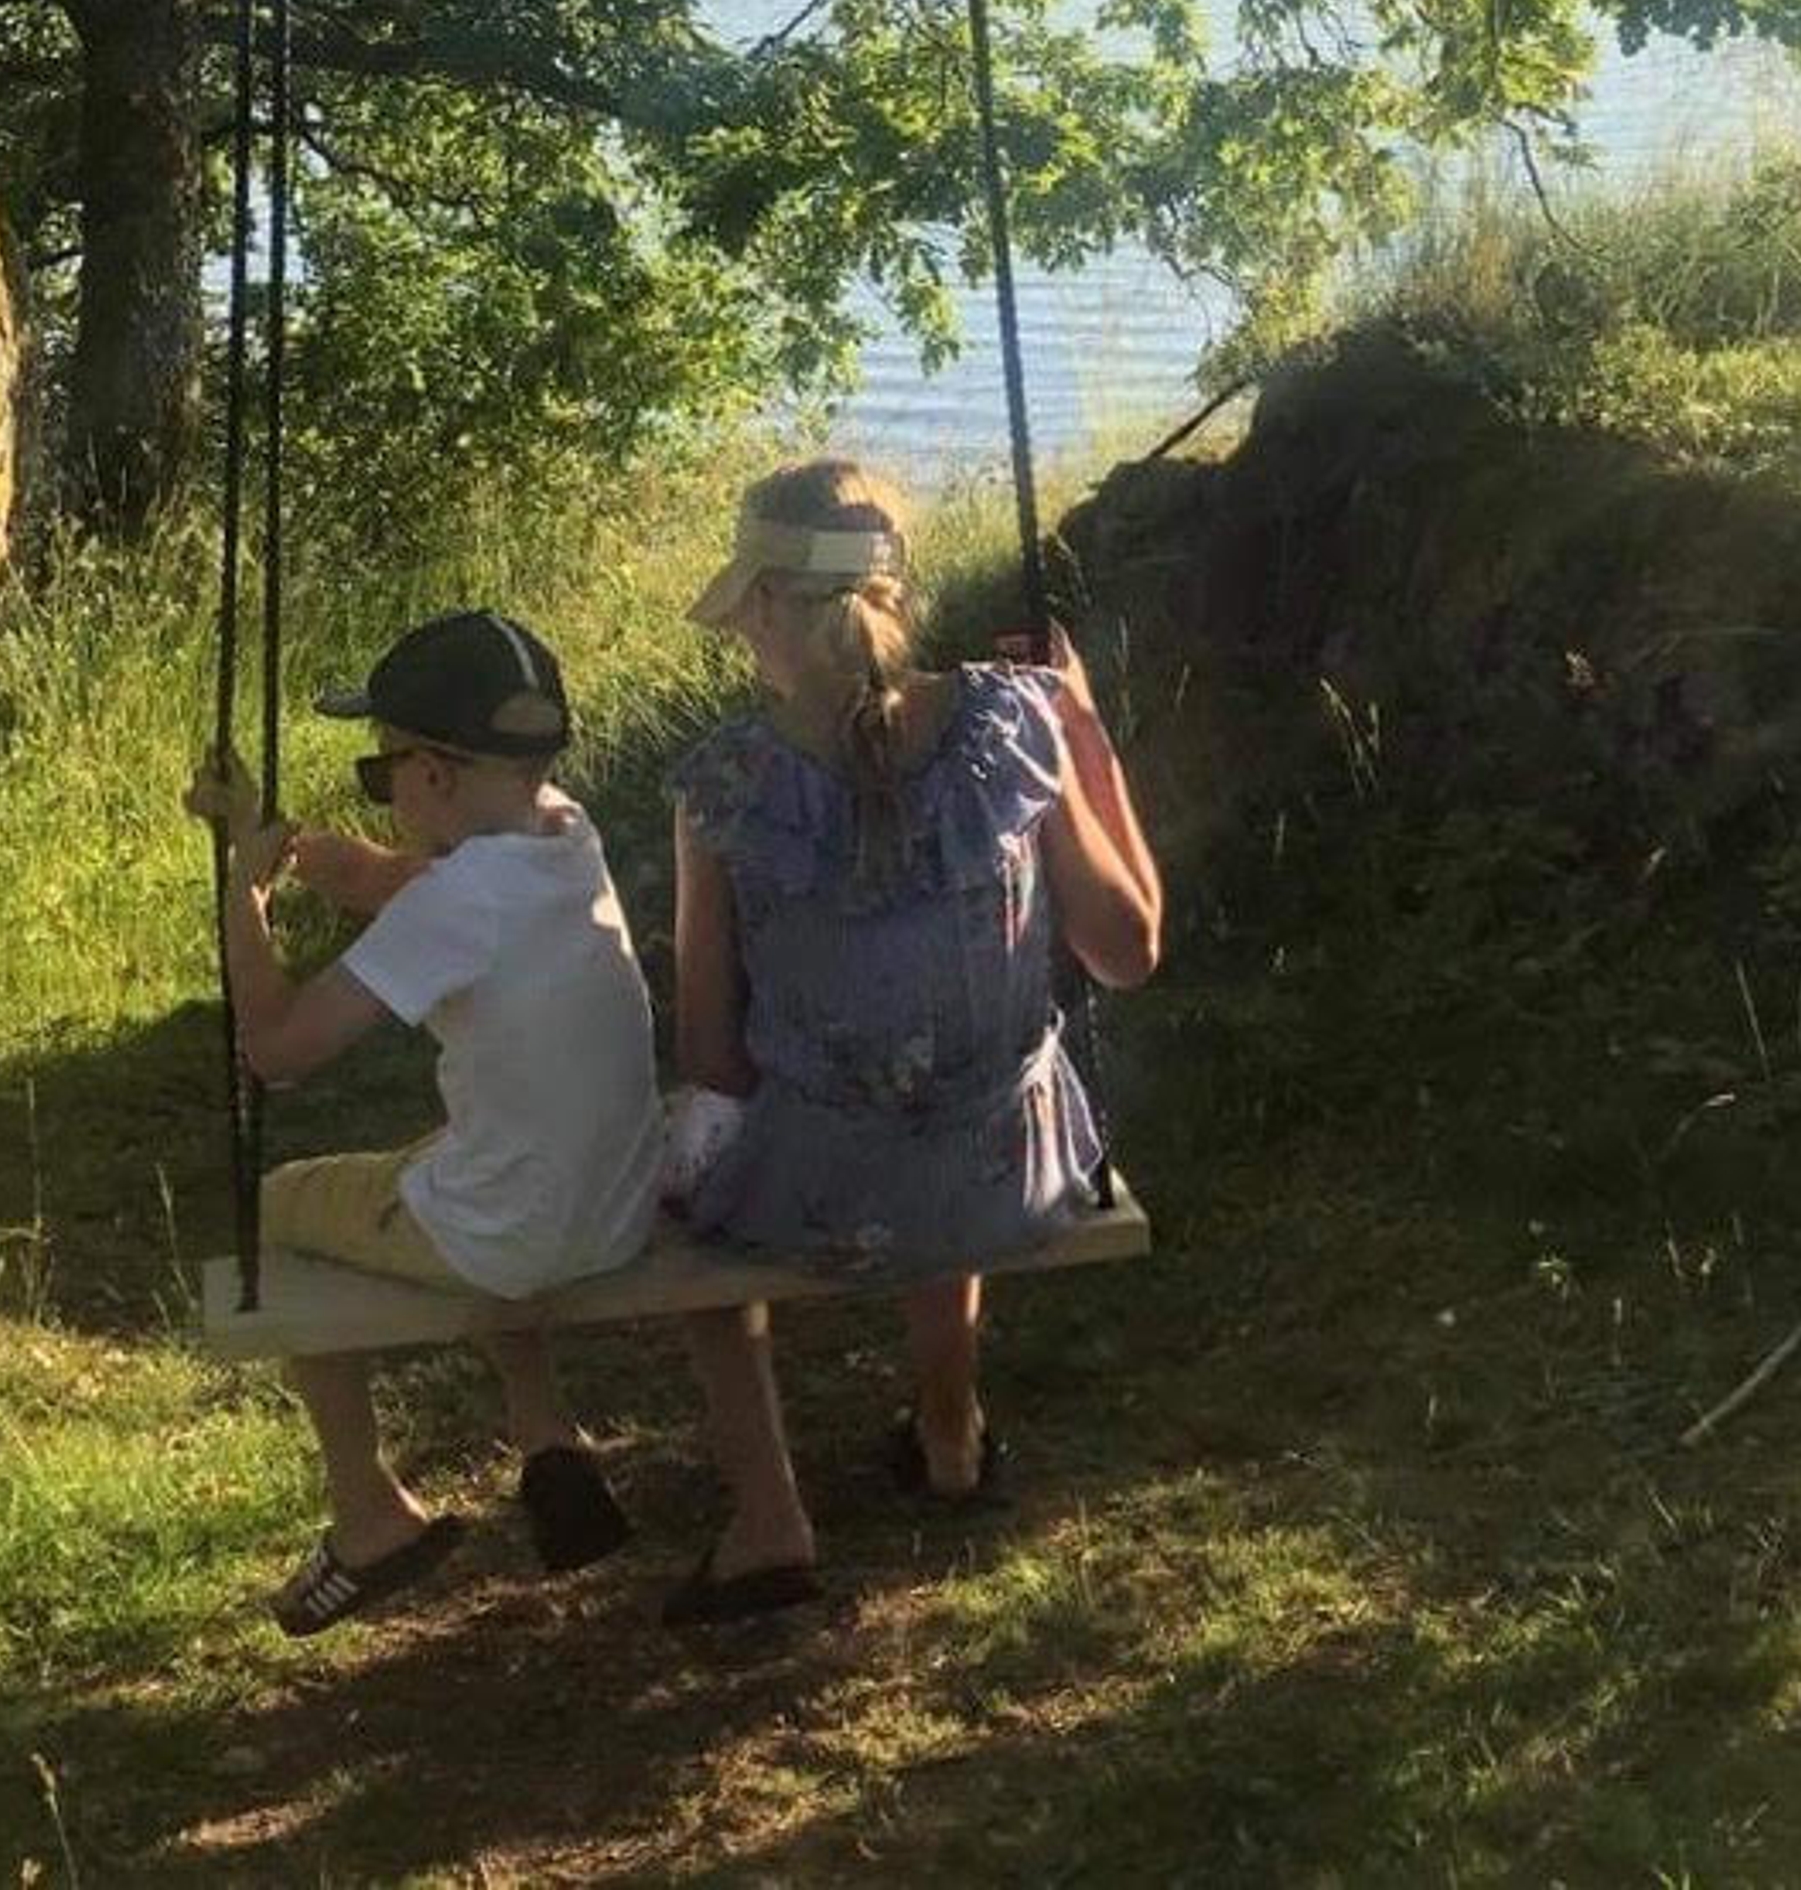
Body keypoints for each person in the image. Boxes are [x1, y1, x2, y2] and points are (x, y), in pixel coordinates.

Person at [664, 457, 1160, 1620]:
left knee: (695, 1233)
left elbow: (712, 1055)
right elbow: (1128, 953)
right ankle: (949, 1435)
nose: (745, 639)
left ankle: (771, 1520)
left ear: (779, 607)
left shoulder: (722, 786)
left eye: (748, 612)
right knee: (948, 1109)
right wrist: (1084, 728)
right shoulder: (1016, 722)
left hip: (820, 1187)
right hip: (1016, 1175)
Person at [191, 606, 667, 1636]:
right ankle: (548, 1438)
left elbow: (276, 1053)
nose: (387, 789)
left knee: (278, 1204)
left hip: (517, 1232)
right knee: (462, 1161)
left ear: (436, 777)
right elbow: (383, 877)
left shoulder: (458, 905)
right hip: (617, 1207)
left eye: (382, 771)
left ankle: (368, 1514)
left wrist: (244, 897)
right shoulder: (559, 832)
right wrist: (275, 835)